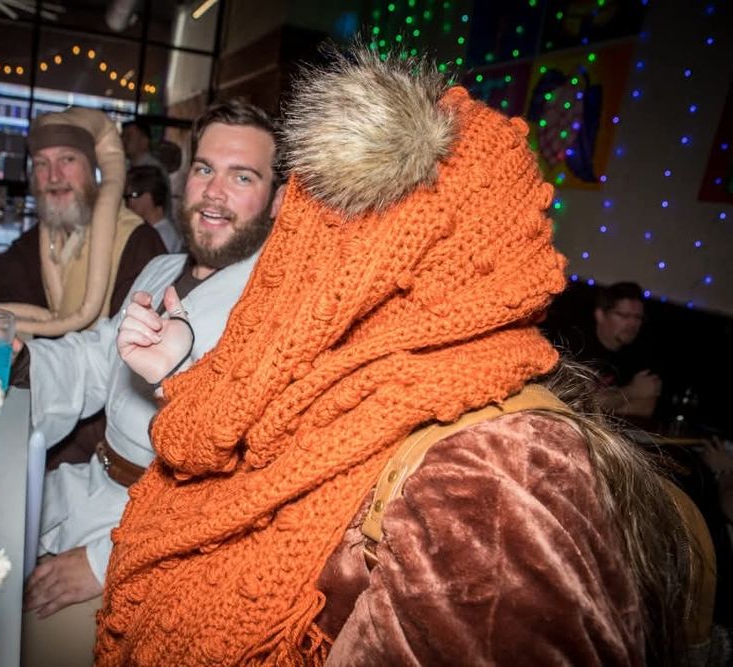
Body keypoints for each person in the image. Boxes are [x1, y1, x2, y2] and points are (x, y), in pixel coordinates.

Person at [101, 49, 699, 665]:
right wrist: (182, 373)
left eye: (323, 225)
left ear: (404, 257)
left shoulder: (501, 482)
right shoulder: (347, 375)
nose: (288, 241)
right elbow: (256, 445)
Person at [12, 99, 286, 664]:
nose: (215, 192)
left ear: (279, 199)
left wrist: (99, 565)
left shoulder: (272, 311)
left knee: (14, 637)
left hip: (151, 545)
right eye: (206, 169)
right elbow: (95, 360)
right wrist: (23, 363)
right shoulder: (163, 267)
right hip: (89, 489)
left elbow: (245, 490)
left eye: (243, 177)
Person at [0, 109, 165, 333]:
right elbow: (3, 281)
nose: (54, 176)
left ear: (92, 171)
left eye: (67, 160)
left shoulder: (139, 243)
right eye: (42, 164)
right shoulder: (44, 236)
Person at [563, 281, 662, 418]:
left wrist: (608, 402)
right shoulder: (577, 344)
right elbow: (583, 403)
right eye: (624, 315)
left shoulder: (638, 352)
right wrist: (633, 391)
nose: (633, 324)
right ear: (600, 315)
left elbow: (646, 408)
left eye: (638, 317)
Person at [125, 165, 183, 253]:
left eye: (132, 195)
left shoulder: (160, 236)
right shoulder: (154, 231)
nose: (128, 201)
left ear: (149, 196)